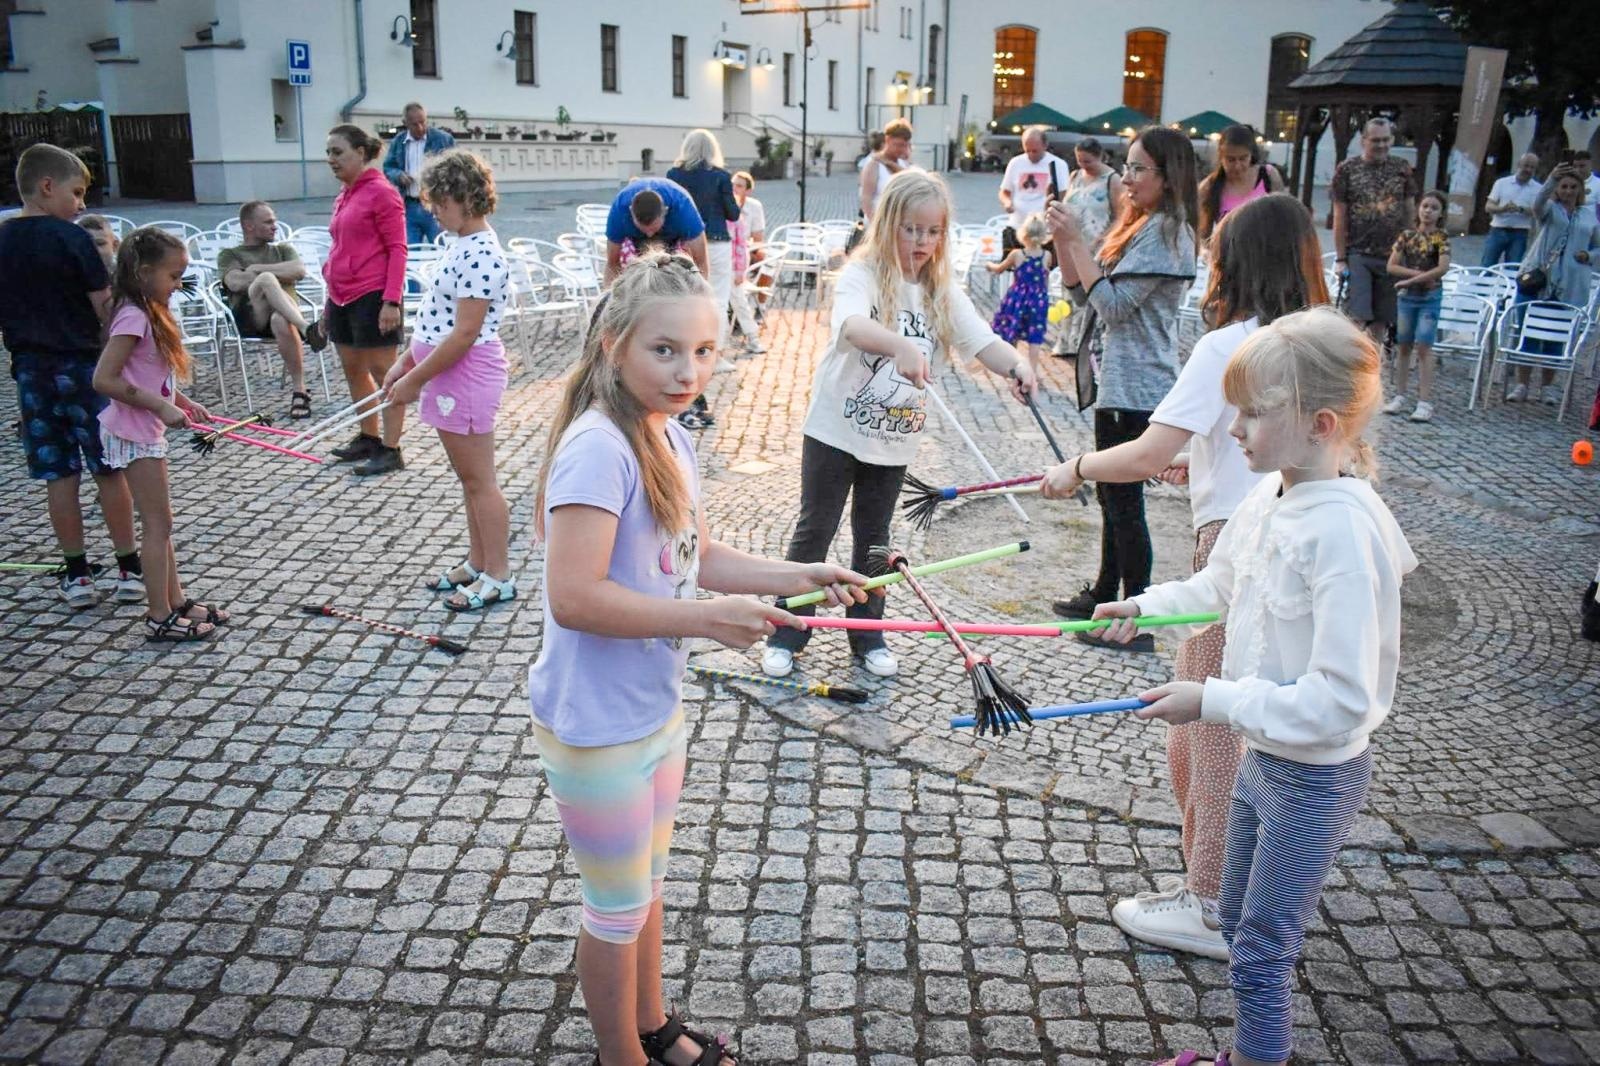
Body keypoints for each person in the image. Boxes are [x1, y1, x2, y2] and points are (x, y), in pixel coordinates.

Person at [529, 251, 868, 1066]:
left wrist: (799, 577)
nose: (690, 371)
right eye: (666, 350)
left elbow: (697, 555)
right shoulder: (596, 449)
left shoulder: (667, 431)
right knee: (613, 909)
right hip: (595, 724)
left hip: (653, 710)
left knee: (646, 889)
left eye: (706, 351)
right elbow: (572, 597)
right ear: (614, 344)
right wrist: (707, 621)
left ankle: (654, 1026)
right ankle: (625, 1058)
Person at [1097, 307, 1416, 1066]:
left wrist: (1213, 701)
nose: (1232, 428)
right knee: (1235, 920)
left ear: (1321, 424)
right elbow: (1218, 585)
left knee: (1263, 952)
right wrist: (1141, 604)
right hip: (1258, 760)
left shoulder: (1342, 532)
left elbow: (1340, 700)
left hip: (1313, 780)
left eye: (1253, 412)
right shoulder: (1269, 495)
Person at [1040, 193, 1329, 961]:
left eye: (1217, 252)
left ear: (1235, 262)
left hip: (1235, 547)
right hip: (1297, 545)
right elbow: (1239, 443)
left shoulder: (1229, 346)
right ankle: (1235, 887)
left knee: (1208, 729)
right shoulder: (1320, 341)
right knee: (1227, 726)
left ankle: (1209, 902)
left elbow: (1137, 453)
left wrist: (1074, 468)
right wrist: (1197, 458)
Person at [761, 170, 1039, 680]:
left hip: (893, 440)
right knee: (814, 530)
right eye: (911, 230)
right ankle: (788, 631)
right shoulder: (862, 274)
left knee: (875, 541)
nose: (922, 242)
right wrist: (898, 344)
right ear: (888, 224)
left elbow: (981, 339)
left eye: (932, 232)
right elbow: (851, 325)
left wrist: (1017, 367)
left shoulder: (940, 289)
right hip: (835, 429)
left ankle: (868, 639)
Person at [1044, 126, 1199, 640]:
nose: (1127, 178)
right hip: (1117, 381)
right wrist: (1066, 242)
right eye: (1127, 167)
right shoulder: (1140, 224)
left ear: (1168, 175)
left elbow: (1112, 307)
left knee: (1126, 504)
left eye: (1138, 169)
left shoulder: (1169, 232)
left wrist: (1074, 241)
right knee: (1113, 498)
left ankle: (1136, 621)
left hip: (1140, 386)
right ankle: (1103, 592)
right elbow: (1081, 288)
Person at [0, 144, 140, 609]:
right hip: (84, 368)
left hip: (31, 372)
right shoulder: (73, 238)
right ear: (46, 187)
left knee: (58, 476)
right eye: (76, 192)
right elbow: (104, 308)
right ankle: (128, 567)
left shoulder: (2, 239)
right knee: (109, 469)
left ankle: (77, 574)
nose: (81, 204)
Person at [381, 150, 513, 612]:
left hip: (468, 374)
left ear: (465, 197)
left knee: (481, 481)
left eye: (438, 201)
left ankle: (498, 574)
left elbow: (464, 334)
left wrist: (415, 378)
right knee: (468, 479)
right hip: (450, 369)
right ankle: (478, 563)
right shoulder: (460, 245)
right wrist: (405, 363)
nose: (432, 210)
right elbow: (436, 323)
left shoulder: (481, 253)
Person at [91, 228, 228, 642]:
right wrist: (160, 406)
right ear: (145, 272)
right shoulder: (133, 314)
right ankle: (157, 615)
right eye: (174, 275)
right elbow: (105, 379)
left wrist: (181, 401)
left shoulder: (149, 309)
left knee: (161, 524)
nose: (179, 284)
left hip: (142, 426)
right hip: (133, 431)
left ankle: (175, 601)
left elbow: (148, 374)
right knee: (157, 525)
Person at [323, 123, 409, 475]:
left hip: (373, 295)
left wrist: (392, 301)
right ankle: (368, 437)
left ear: (361, 153)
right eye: (328, 152)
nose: (331, 159)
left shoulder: (382, 193)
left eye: (338, 152)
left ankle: (391, 448)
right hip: (341, 295)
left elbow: (397, 249)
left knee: (384, 374)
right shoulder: (345, 193)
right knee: (353, 369)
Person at [217, 200, 326, 420]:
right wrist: (269, 275)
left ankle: (299, 392)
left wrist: (256, 268)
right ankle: (306, 329)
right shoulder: (230, 254)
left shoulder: (282, 249)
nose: (274, 226)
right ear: (249, 226)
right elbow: (236, 282)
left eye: (274, 222)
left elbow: (298, 270)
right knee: (267, 280)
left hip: (284, 316)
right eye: (268, 222)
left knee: (280, 319)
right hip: (251, 316)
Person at [1507, 162, 1599, 404]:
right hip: (1539, 281)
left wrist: (1589, 256)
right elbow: (1537, 205)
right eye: (1564, 186)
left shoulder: (1589, 216)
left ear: (1580, 190)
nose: (1568, 191)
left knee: (1555, 337)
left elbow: (1598, 246)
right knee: (1528, 334)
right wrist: (1550, 179)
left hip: (1569, 284)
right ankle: (1522, 384)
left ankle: (1548, 386)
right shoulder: (1549, 209)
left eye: (1572, 187)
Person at [1331, 118, 1417, 348]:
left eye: (1386, 140)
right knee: (1356, 316)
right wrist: (1340, 258)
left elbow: (1409, 211)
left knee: (1381, 319)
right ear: (1364, 141)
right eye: (1375, 140)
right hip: (1358, 252)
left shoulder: (1402, 168)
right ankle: (1350, 365)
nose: (1381, 145)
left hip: (1391, 255)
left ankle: (1371, 368)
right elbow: (1340, 215)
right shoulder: (1347, 169)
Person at [665, 130, 741, 351]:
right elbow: (733, 214)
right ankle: (714, 353)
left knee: (684, 296)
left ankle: (682, 347)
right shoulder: (721, 176)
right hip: (716, 241)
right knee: (718, 297)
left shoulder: (674, 174)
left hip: (684, 243)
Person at [1051, 137, 1123, 358]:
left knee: (1089, 295)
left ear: (1100, 157)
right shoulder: (1075, 176)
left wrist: (1103, 239)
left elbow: (1121, 217)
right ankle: (1065, 341)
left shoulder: (1113, 179)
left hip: (1097, 246)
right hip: (1071, 242)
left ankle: (1083, 342)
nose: (1083, 165)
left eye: (1088, 161)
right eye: (1079, 161)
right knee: (1068, 291)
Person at [1383, 190, 1452, 423]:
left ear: (1441, 214)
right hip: (1408, 297)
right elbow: (1392, 266)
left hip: (1429, 298)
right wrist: (1417, 276)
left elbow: (1442, 268)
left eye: (1434, 208)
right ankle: (1400, 395)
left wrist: (1411, 280)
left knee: (1424, 345)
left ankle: (1424, 401)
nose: (1428, 211)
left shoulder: (1440, 238)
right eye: (1425, 206)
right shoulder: (1407, 236)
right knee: (1403, 345)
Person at [604, 177, 710, 284]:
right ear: (630, 211)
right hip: (636, 240)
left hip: (672, 238)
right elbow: (612, 264)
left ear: (666, 212)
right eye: (644, 229)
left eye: (654, 228)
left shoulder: (683, 207)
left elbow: (700, 261)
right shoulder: (620, 208)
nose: (649, 234)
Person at [986, 213, 1053, 376]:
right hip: (1038, 300)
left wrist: (989, 265)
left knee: (1012, 331)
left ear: (1023, 233)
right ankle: (1033, 372)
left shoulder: (1017, 254)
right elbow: (1045, 279)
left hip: (1018, 299)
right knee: (1035, 338)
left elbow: (1000, 268)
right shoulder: (1047, 256)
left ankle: (1012, 366)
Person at [382, 102, 457, 244]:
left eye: (423, 122)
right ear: (405, 123)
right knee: (410, 253)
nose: (420, 127)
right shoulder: (398, 141)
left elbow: (456, 168)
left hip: (435, 206)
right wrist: (398, 175)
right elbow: (388, 167)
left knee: (440, 251)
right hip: (409, 206)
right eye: (414, 124)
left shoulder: (443, 139)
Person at [1196, 124, 1284, 243]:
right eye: (1231, 160)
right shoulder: (1208, 187)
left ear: (1251, 154)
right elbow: (1202, 235)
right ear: (1221, 157)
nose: (1237, 166)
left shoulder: (1268, 176)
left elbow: (1283, 219)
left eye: (1243, 158)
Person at [997, 126, 1070, 252]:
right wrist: (1007, 203)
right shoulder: (1016, 162)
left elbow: (1063, 195)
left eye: (1035, 151)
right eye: (1027, 150)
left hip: (1043, 230)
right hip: (1017, 225)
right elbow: (1005, 191)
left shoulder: (1058, 164)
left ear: (1045, 145)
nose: (1031, 155)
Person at [728, 170, 768, 351]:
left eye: (739, 186)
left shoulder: (751, 208)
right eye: (732, 185)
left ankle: (761, 306)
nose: (734, 189)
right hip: (725, 258)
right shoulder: (726, 208)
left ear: (748, 190)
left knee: (765, 261)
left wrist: (739, 268)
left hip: (741, 255)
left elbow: (755, 239)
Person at [1480, 153, 1541, 266]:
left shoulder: (1538, 189)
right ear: (1519, 165)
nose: (1528, 170)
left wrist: (1520, 209)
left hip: (1520, 233)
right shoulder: (1501, 183)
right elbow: (1488, 207)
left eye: (1532, 167)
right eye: (1526, 165)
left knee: (1512, 268)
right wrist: (1502, 209)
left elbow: (1539, 212)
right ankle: (1482, 284)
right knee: (1487, 265)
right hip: (1498, 230)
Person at [858, 118, 913, 225]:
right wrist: (876, 224)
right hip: (878, 222)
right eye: (898, 144)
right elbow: (866, 198)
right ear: (887, 140)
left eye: (905, 145)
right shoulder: (873, 164)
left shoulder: (902, 163)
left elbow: (910, 182)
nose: (901, 149)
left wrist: (890, 163)